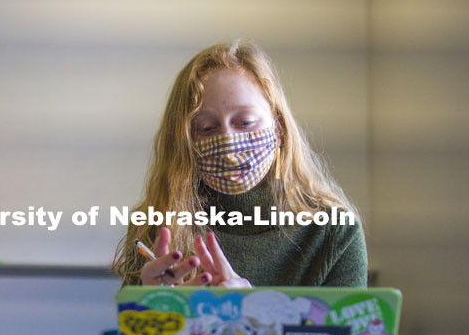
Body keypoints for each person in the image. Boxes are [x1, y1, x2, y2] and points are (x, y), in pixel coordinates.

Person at [112, 40, 367, 287]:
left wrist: (248, 310)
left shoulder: (333, 233)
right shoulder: (157, 224)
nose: (229, 144)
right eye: (207, 128)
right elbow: (134, 331)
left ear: (278, 128)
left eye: (244, 122)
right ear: (184, 142)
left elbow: (352, 332)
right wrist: (150, 309)